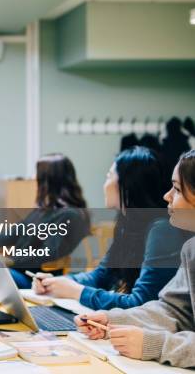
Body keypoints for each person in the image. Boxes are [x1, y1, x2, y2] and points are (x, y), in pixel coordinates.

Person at [75, 150, 195, 368]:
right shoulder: (192, 249)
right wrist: (114, 320)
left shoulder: (162, 230)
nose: (166, 196)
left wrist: (157, 345)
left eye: (177, 189)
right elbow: (175, 310)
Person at [34, 146, 187, 310]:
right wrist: (59, 283)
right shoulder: (128, 224)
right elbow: (101, 275)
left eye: (108, 177)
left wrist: (78, 292)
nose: (104, 184)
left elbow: (140, 303)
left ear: (127, 185)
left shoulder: (161, 230)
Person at [0, 153, 90, 288]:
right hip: (18, 270)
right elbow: (11, 234)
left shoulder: (70, 216)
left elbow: (48, 253)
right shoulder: (44, 209)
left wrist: (10, 260)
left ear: (49, 180)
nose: (34, 178)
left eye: (38, 174)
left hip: (35, 281)